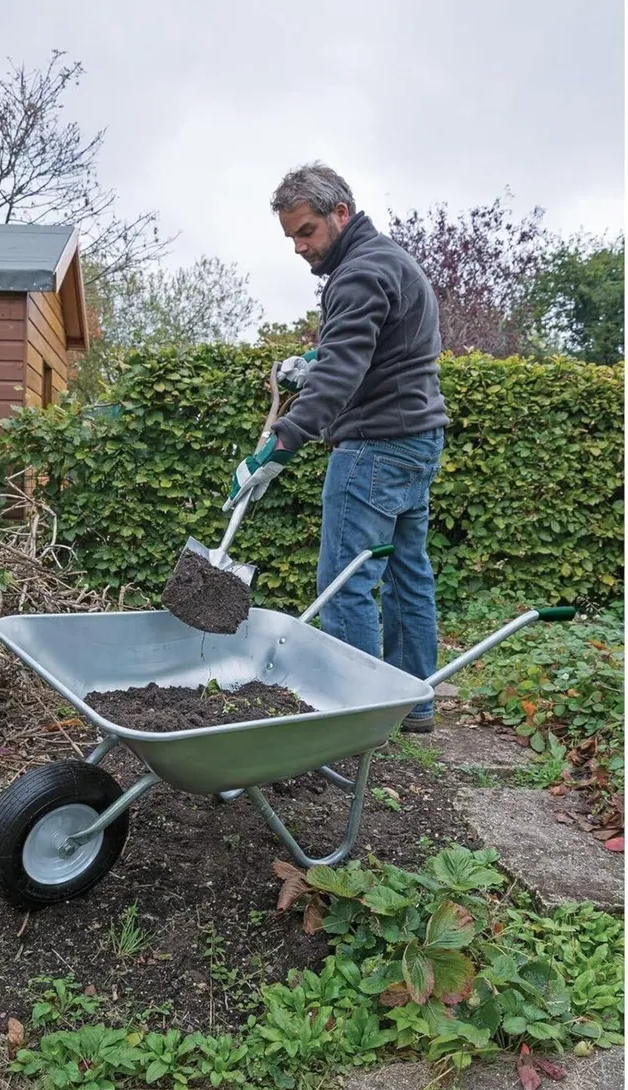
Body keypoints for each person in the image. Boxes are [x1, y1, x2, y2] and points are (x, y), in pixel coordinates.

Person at [224, 163, 448, 732]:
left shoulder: (355, 274)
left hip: (374, 448)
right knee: (408, 574)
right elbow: (381, 349)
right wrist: (314, 361)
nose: (299, 247)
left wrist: (279, 445)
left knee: (345, 584)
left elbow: (344, 372)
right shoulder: (392, 261)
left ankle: (359, 715)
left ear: (339, 214)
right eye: (291, 237)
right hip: (419, 441)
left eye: (306, 232)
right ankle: (414, 703)